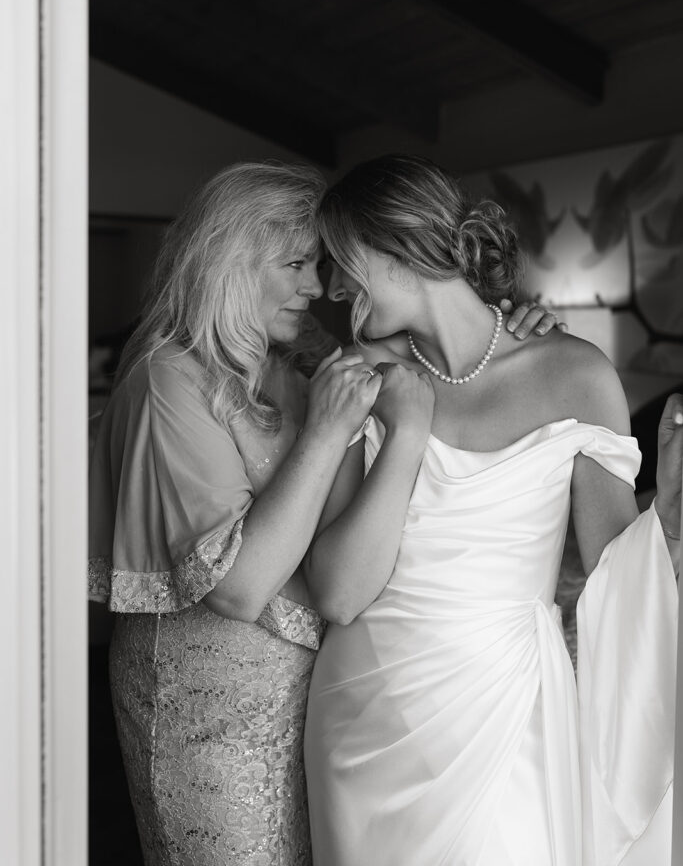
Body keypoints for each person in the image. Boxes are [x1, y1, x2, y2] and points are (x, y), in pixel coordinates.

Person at [88, 160, 555, 866]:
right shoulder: (168, 379)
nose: (317, 288)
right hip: (209, 718)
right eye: (297, 264)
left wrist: (520, 330)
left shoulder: (296, 365)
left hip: (310, 708)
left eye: (324, 264)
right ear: (231, 263)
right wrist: (327, 433)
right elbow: (240, 589)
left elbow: (449, 351)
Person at [303, 154, 681, 866]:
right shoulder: (362, 379)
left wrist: (671, 512)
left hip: (505, 712)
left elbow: (611, 576)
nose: (329, 285)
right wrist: (405, 429)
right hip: (362, 720)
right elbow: (339, 592)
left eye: (339, 259)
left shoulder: (574, 374)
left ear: (398, 246)